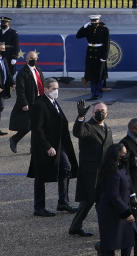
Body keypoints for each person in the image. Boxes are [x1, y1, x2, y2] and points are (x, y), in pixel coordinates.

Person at [28, 77, 79, 216]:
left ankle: (63, 202)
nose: (56, 91)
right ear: (46, 89)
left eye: (57, 88)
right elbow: (37, 129)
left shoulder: (52, 101)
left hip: (59, 144)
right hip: (45, 146)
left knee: (65, 168)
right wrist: (47, 146)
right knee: (40, 175)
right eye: (53, 89)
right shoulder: (39, 104)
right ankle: (39, 207)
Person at [69, 100, 114, 237]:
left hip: (105, 171)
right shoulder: (88, 126)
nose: (100, 113)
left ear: (107, 113)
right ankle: (103, 228)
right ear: (93, 113)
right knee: (90, 201)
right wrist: (80, 117)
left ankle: (76, 227)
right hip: (91, 172)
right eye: (97, 111)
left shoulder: (107, 128)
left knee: (94, 201)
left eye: (102, 111)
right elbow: (78, 132)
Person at [95, 143, 136, 256]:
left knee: (127, 242)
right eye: (123, 153)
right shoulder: (111, 172)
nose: (126, 155)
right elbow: (113, 195)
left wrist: (132, 196)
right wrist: (127, 212)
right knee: (110, 244)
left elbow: (128, 182)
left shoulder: (120, 167)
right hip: (111, 212)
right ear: (117, 155)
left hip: (121, 209)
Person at [118, 118, 137, 256]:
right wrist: (131, 195)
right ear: (133, 129)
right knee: (131, 226)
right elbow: (124, 173)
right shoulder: (125, 145)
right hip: (132, 193)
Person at [9, 49, 42, 153]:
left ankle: (34, 148)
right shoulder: (22, 73)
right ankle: (15, 139)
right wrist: (24, 103)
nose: (34, 60)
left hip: (39, 101)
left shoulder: (38, 70)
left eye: (36, 58)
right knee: (28, 126)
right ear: (26, 59)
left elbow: (41, 85)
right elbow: (20, 90)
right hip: (29, 102)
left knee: (37, 126)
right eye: (32, 58)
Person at [77, 15, 110, 99]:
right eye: (92, 21)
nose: (94, 22)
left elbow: (107, 44)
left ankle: (98, 92)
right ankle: (93, 93)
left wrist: (104, 56)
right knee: (91, 74)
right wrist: (84, 26)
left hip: (99, 52)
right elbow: (78, 35)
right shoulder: (88, 28)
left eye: (95, 20)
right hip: (90, 52)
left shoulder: (104, 29)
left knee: (98, 75)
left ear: (99, 20)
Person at [0, 14, 20, 99]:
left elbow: (16, 46)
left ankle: (7, 93)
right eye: (2, 22)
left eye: (4, 22)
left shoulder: (13, 33)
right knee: (1, 74)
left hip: (9, 56)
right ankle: (1, 91)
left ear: (8, 23)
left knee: (9, 74)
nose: (2, 23)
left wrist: (14, 57)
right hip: (1, 56)